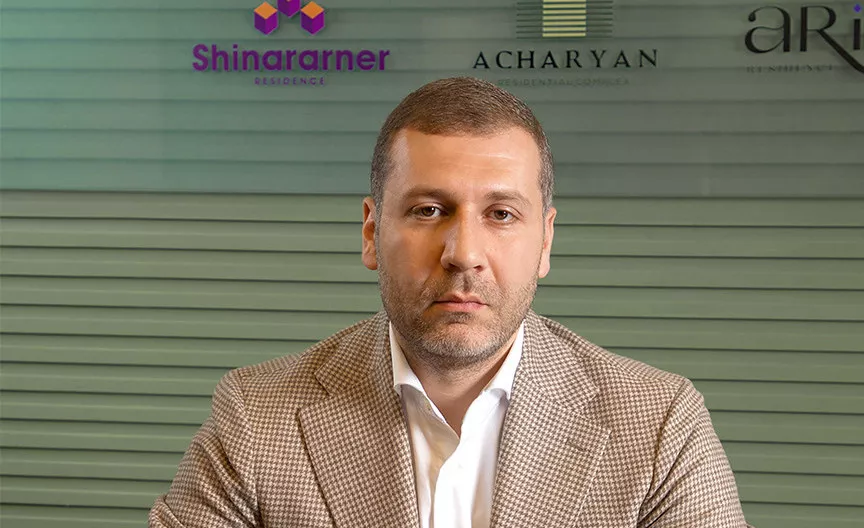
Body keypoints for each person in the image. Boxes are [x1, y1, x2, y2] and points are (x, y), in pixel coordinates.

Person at [149, 77, 751, 527]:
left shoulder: (660, 426)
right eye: (428, 210)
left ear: (545, 241)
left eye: (501, 214)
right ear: (371, 232)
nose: (464, 253)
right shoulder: (257, 417)